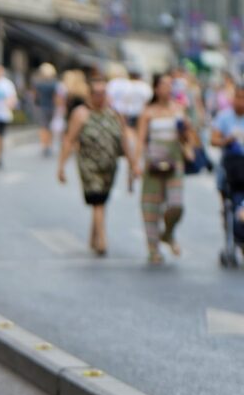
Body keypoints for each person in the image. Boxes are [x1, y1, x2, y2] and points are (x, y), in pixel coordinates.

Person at [57, 77, 135, 255]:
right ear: (90, 95)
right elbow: (69, 140)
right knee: (97, 198)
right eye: (97, 93)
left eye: (103, 93)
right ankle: (102, 240)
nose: (100, 97)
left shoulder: (114, 113)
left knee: (101, 200)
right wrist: (61, 166)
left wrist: (133, 164)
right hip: (89, 164)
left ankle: (93, 235)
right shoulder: (81, 114)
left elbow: (123, 139)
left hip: (109, 165)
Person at [135, 74, 190, 265]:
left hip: (174, 161)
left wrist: (186, 130)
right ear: (156, 89)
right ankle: (153, 249)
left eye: (170, 84)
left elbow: (187, 138)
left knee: (176, 205)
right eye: (164, 85)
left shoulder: (179, 109)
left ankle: (167, 233)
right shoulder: (148, 112)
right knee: (151, 207)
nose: (168, 88)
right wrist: (135, 164)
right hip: (153, 162)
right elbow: (140, 139)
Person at [210, 84, 244, 204]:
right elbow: (213, 140)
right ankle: (225, 206)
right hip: (230, 162)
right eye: (239, 97)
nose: (241, 101)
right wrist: (226, 141)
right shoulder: (224, 117)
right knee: (222, 176)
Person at [32, 63, 62, 157]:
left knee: (44, 127)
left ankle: (44, 145)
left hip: (42, 106)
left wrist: (36, 103)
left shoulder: (39, 83)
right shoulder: (55, 83)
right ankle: (49, 144)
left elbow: (35, 96)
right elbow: (57, 97)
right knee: (49, 127)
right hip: (52, 107)